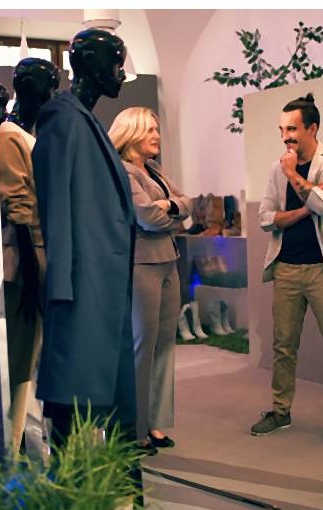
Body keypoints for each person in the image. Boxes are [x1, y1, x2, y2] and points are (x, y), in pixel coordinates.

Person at [31, 29, 138, 443]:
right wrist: (61, 283)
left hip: (102, 277)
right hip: (81, 279)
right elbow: (55, 203)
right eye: (116, 63)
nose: (121, 73)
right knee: (74, 389)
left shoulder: (86, 121)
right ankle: (73, 476)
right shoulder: (62, 118)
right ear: (91, 65)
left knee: (102, 385)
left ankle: (114, 472)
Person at [253, 93, 323, 446]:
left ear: (312, 128)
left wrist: (293, 175)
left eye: (292, 129)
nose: (285, 137)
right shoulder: (276, 168)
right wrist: (305, 208)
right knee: (283, 346)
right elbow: (265, 218)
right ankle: (280, 411)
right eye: (282, 130)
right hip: (286, 267)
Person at [108, 107, 193, 449]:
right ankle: (134, 427)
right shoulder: (123, 170)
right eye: (150, 130)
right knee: (142, 345)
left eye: (157, 129)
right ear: (131, 133)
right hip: (140, 263)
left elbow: (188, 204)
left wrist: (169, 207)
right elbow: (147, 218)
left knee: (165, 344)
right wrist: (172, 210)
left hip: (168, 260)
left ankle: (156, 423)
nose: (157, 136)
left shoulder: (153, 170)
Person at [0, 58, 60, 456]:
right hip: (24, 264)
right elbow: (18, 207)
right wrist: (34, 275)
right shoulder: (10, 136)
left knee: (33, 358)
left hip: (38, 258)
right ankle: (13, 447)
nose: (52, 94)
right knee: (20, 360)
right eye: (47, 85)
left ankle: (26, 439)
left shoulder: (26, 135)